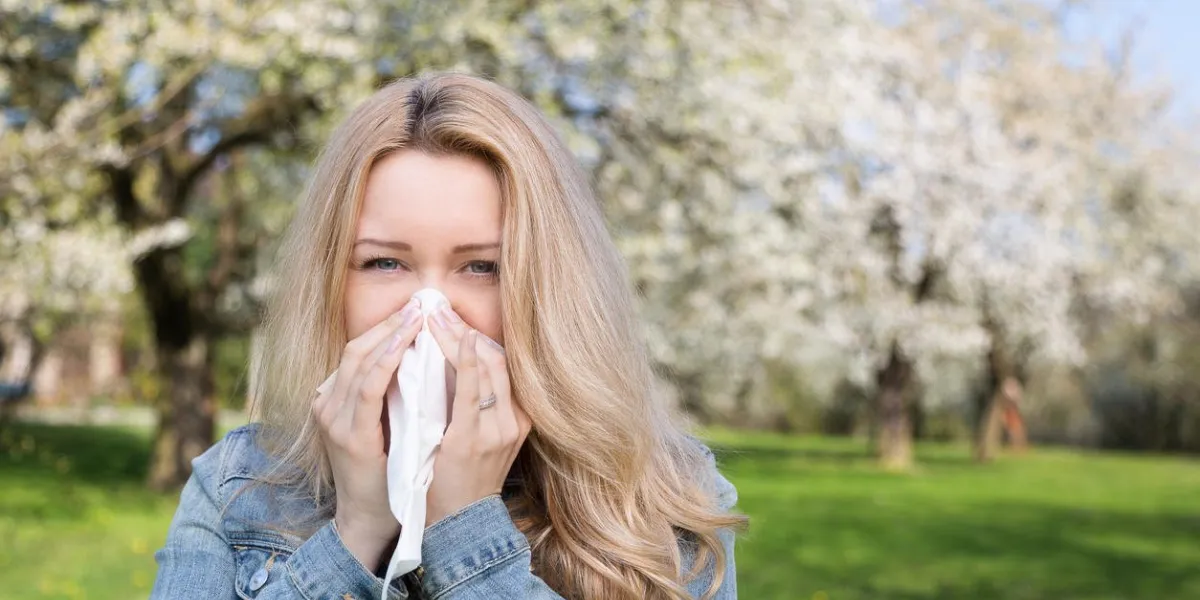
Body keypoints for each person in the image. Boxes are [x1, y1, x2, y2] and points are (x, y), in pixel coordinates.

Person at [150, 72, 745, 600]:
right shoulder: (237, 485)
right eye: (385, 263)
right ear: (332, 279)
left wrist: (465, 531)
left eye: (482, 267)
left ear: (548, 286)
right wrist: (355, 533)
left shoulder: (661, 497)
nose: (428, 309)